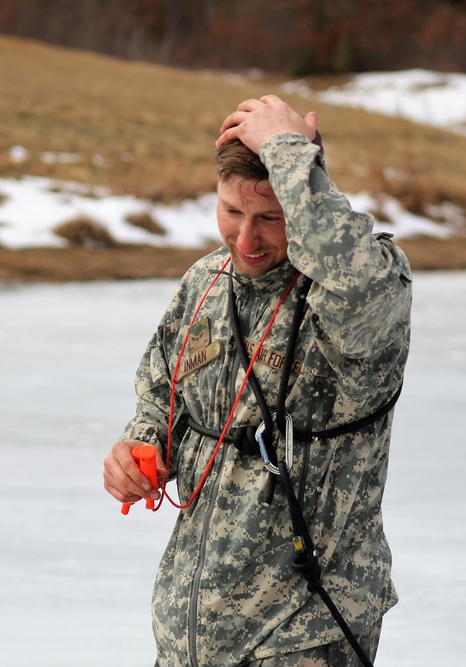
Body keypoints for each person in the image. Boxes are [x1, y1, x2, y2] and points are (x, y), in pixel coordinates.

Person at [102, 95, 412, 667]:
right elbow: (159, 394)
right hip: (191, 637)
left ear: (303, 195)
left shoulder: (363, 291)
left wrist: (289, 151)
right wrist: (138, 448)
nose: (246, 241)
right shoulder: (205, 282)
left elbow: (355, 281)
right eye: (231, 213)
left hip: (304, 633)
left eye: (271, 218)